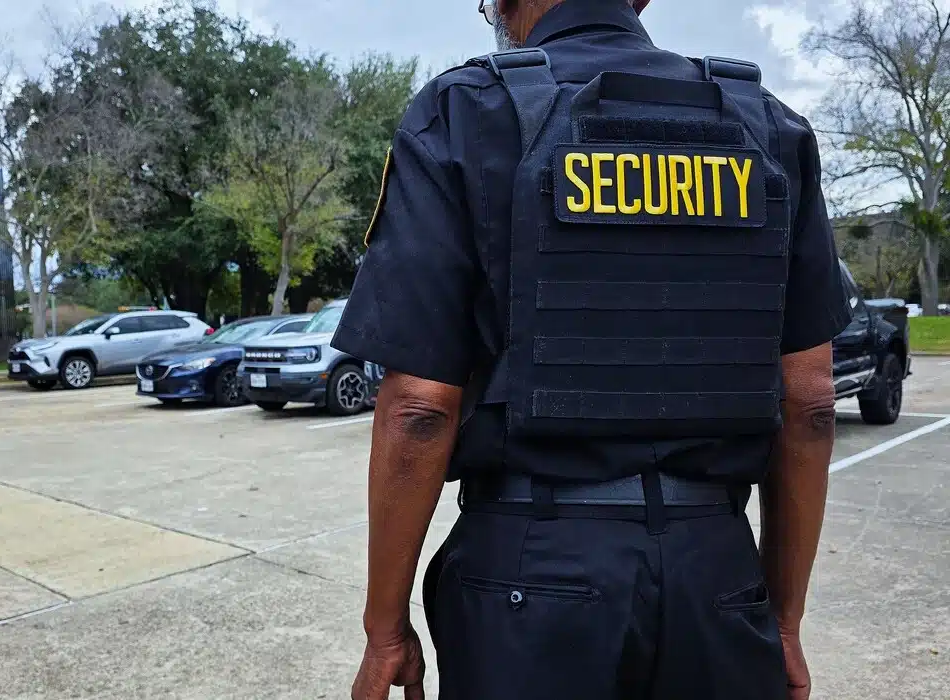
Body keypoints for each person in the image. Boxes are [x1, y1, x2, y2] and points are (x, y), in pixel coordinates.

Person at [330, 1, 850, 699]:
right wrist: (782, 623)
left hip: (528, 580)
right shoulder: (768, 126)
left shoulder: (464, 111)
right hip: (718, 577)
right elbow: (811, 401)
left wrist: (384, 630)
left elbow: (420, 406)